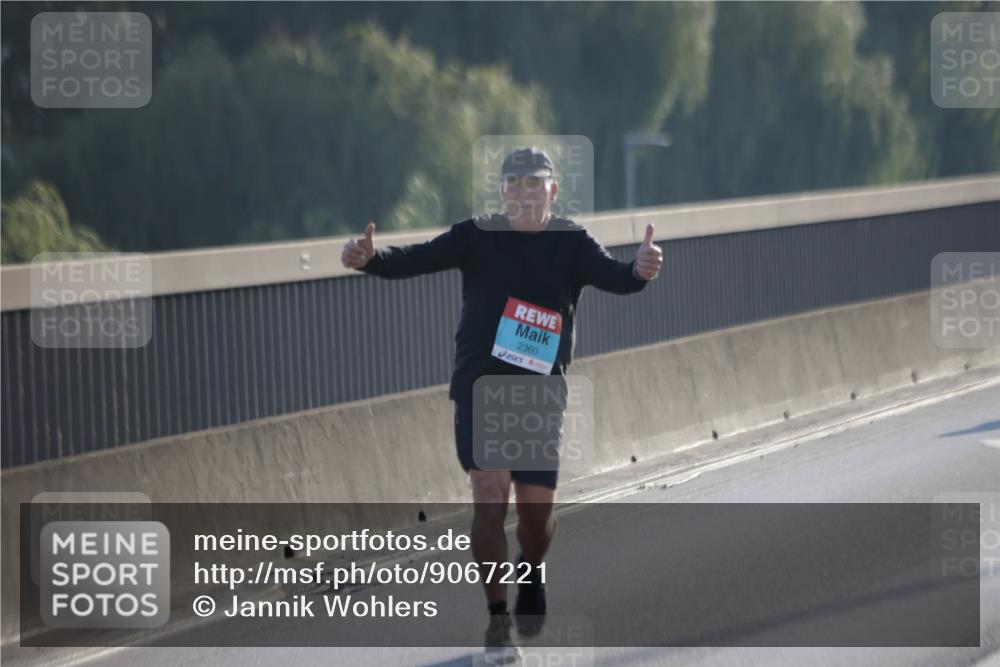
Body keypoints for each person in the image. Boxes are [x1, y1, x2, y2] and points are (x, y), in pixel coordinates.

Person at [341, 147, 663, 662]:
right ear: (502, 192)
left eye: (535, 183)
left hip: (539, 394)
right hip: (480, 387)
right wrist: (371, 260)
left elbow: (618, 278)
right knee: (489, 496)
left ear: (553, 191)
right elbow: (417, 258)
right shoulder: (475, 236)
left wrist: (642, 270)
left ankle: (532, 567)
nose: (524, 191)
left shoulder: (571, 242)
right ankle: (496, 621)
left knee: (536, 518)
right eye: (514, 183)